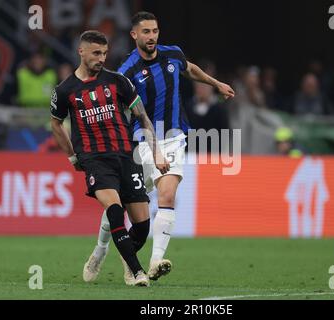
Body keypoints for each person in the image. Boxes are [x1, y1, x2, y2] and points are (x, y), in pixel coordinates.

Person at [84, 11, 235, 284]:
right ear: (134, 35)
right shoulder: (126, 71)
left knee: (167, 195)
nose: (151, 36)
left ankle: (155, 261)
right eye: (146, 32)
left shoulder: (173, 54)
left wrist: (216, 83)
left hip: (175, 136)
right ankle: (101, 248)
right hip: (141, 141)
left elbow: (190, 69)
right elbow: (115, 108)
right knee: (120, 205)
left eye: (154, 31)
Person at [51, 30, 170, 287]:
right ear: (80, 51)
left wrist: (157, 150)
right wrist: (72, 157)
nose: (101, 58)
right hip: (95, 159)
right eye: (96, 53)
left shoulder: (118, 82)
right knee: (115, 212)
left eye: (104, 53)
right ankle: (137, 272)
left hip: (126, 156)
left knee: (141, 227)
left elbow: (142, 117)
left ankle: (102, 253)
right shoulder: (65, 90)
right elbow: (56, 124)